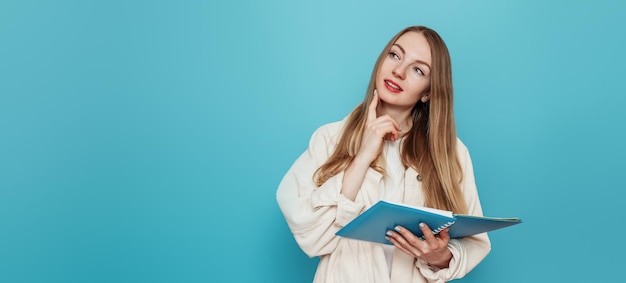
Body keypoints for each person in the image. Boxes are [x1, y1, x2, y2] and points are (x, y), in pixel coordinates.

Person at [276, 25, 491, 283]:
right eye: (395, 55)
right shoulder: (329, 138)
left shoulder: (452, 153)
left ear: (428, 92)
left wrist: (439, 257)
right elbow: (311, 237)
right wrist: (363, 157)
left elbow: (474, 244)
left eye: (418, 69)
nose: (398, 71)